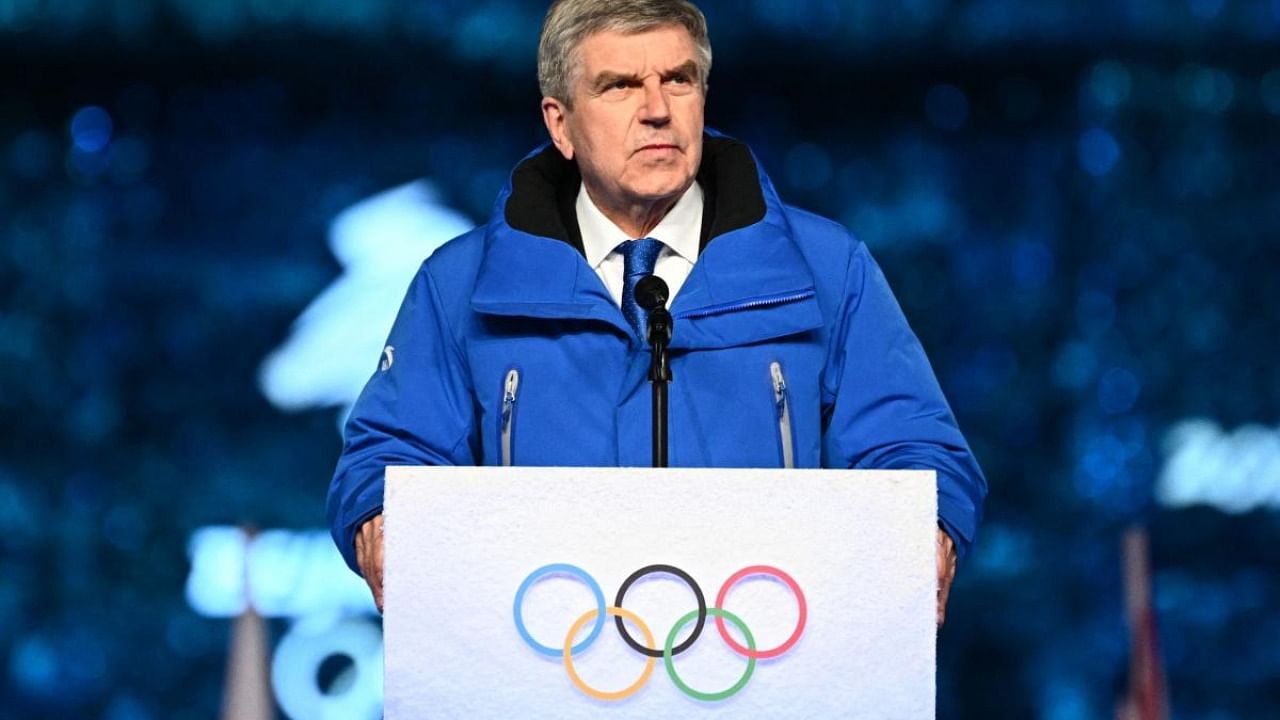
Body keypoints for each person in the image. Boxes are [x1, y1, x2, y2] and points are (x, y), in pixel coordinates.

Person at [328, 0, 986, 625]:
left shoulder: (825, 267)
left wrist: (926, 527)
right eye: (618, 85)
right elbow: (390, 455)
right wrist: (381, 519)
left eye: (679, 79)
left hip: (768, 672)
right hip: (544, 675)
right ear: (560, 123)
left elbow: (912, 445)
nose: (656, 110)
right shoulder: (460, 284)